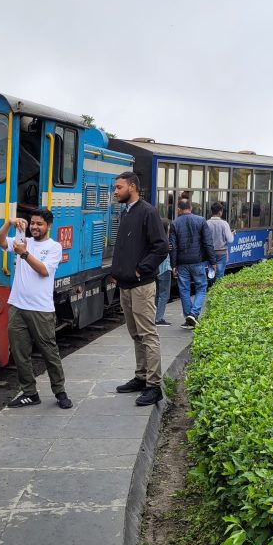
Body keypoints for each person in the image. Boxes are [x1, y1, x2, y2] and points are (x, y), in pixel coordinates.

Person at [0, 209, 72, 409]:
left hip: (41, 309)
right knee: (20, 353)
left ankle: (60, 391)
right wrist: (9, 224)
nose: (35, 227)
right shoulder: (22, 241)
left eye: (40, 224)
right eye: (33, 223)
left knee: (49, 352)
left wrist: (25, 253)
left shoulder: (54, 247)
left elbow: (44, 271)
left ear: (49, 226)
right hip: (18, 307)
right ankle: (29, 393)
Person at [111, 171, 169, 407]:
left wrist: (139, 270)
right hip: (126, 285)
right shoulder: (126, 213)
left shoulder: (147, 212)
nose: (115, 191)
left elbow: (161, 247)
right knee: (136, 334)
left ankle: (154, 386)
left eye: (119, 187)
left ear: (132, 187)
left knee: (148, 335)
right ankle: (141, 376)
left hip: (141, 285)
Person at [169, 198, 217, 327]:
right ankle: (194, 314)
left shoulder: (175, 223)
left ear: (179, 209)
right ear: (191, 207)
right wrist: (213, 261)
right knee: (201, 287)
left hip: (182, 262)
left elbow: (173, 246)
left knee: (184, 289)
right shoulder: (201, 220)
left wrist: (173, 265)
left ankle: (188, 317)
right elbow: (208, 242)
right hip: (198, 261)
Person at [206, 202, 234, 280]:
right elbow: (230, 240)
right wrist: (232, 234)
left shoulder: (206, 223)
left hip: (210, 252)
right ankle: (216, 290)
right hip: (221, 253)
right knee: (219, 275)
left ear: (212, 211)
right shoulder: (224, 224)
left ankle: (212, 289)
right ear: (220, 212)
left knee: (211, 273)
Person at [155, 218, 172, 325]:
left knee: (157, 294)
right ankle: (159, 318)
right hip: (164, 269)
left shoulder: (155, 238)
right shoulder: (165, 240)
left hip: (155, 269)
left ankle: (154, 316)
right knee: (164, 294)